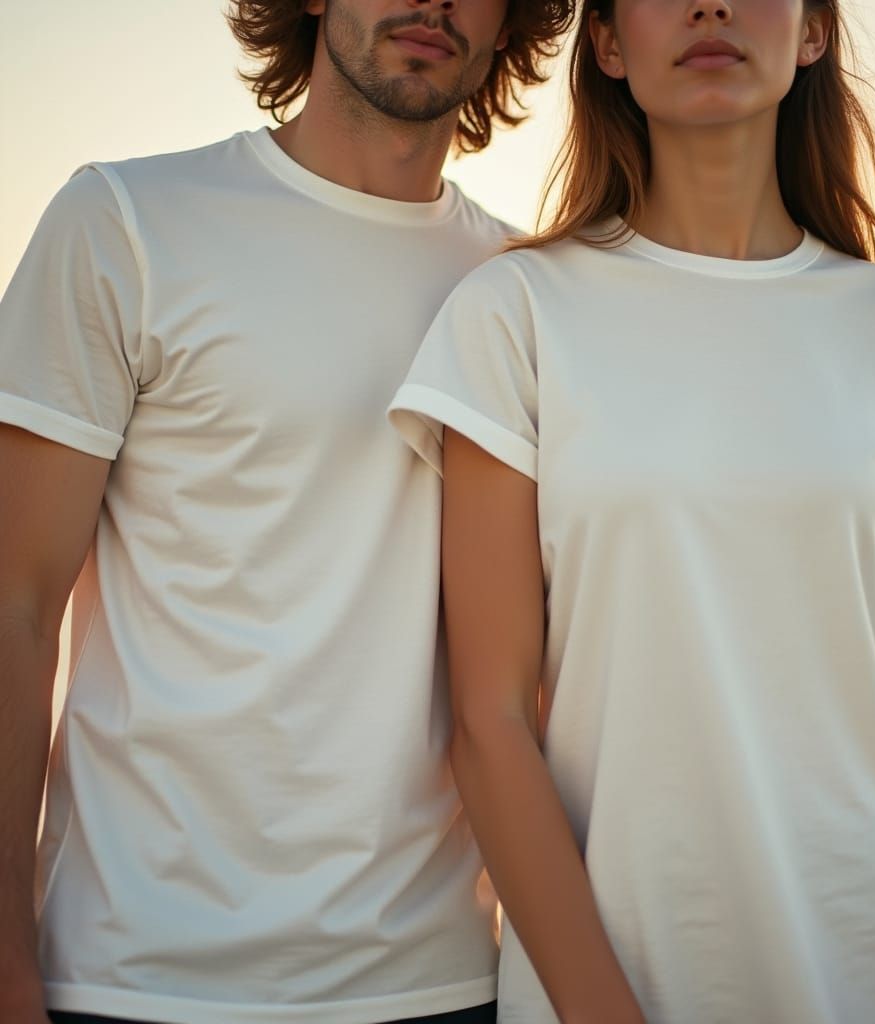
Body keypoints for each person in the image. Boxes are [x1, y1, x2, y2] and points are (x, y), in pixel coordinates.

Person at [387, 0, 875, 1021]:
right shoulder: (516, 315)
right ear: (603, 44)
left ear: (812, 33)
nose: (709, 6)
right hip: (621, 969)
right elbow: (489, 722)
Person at [0, 1, 576, 1022]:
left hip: (438, 981)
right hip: (133, 977)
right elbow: (17, 604)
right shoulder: (126, 223)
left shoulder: (524, 292)